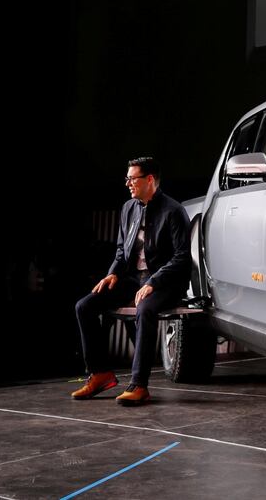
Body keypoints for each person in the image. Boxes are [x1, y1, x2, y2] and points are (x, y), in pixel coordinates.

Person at [71, 157, 191, 406]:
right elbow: (120, 249)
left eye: (132, 178)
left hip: (166, 282)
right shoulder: (128, 208)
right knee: (85, 306)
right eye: (127, 178)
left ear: (149, 180)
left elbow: (181, 257)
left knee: (144, 309)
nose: (127, 183)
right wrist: (113, 272)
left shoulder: (174, 211)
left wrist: (154, 282)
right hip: (132, 279)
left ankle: (139, 385)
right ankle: (100, 373)